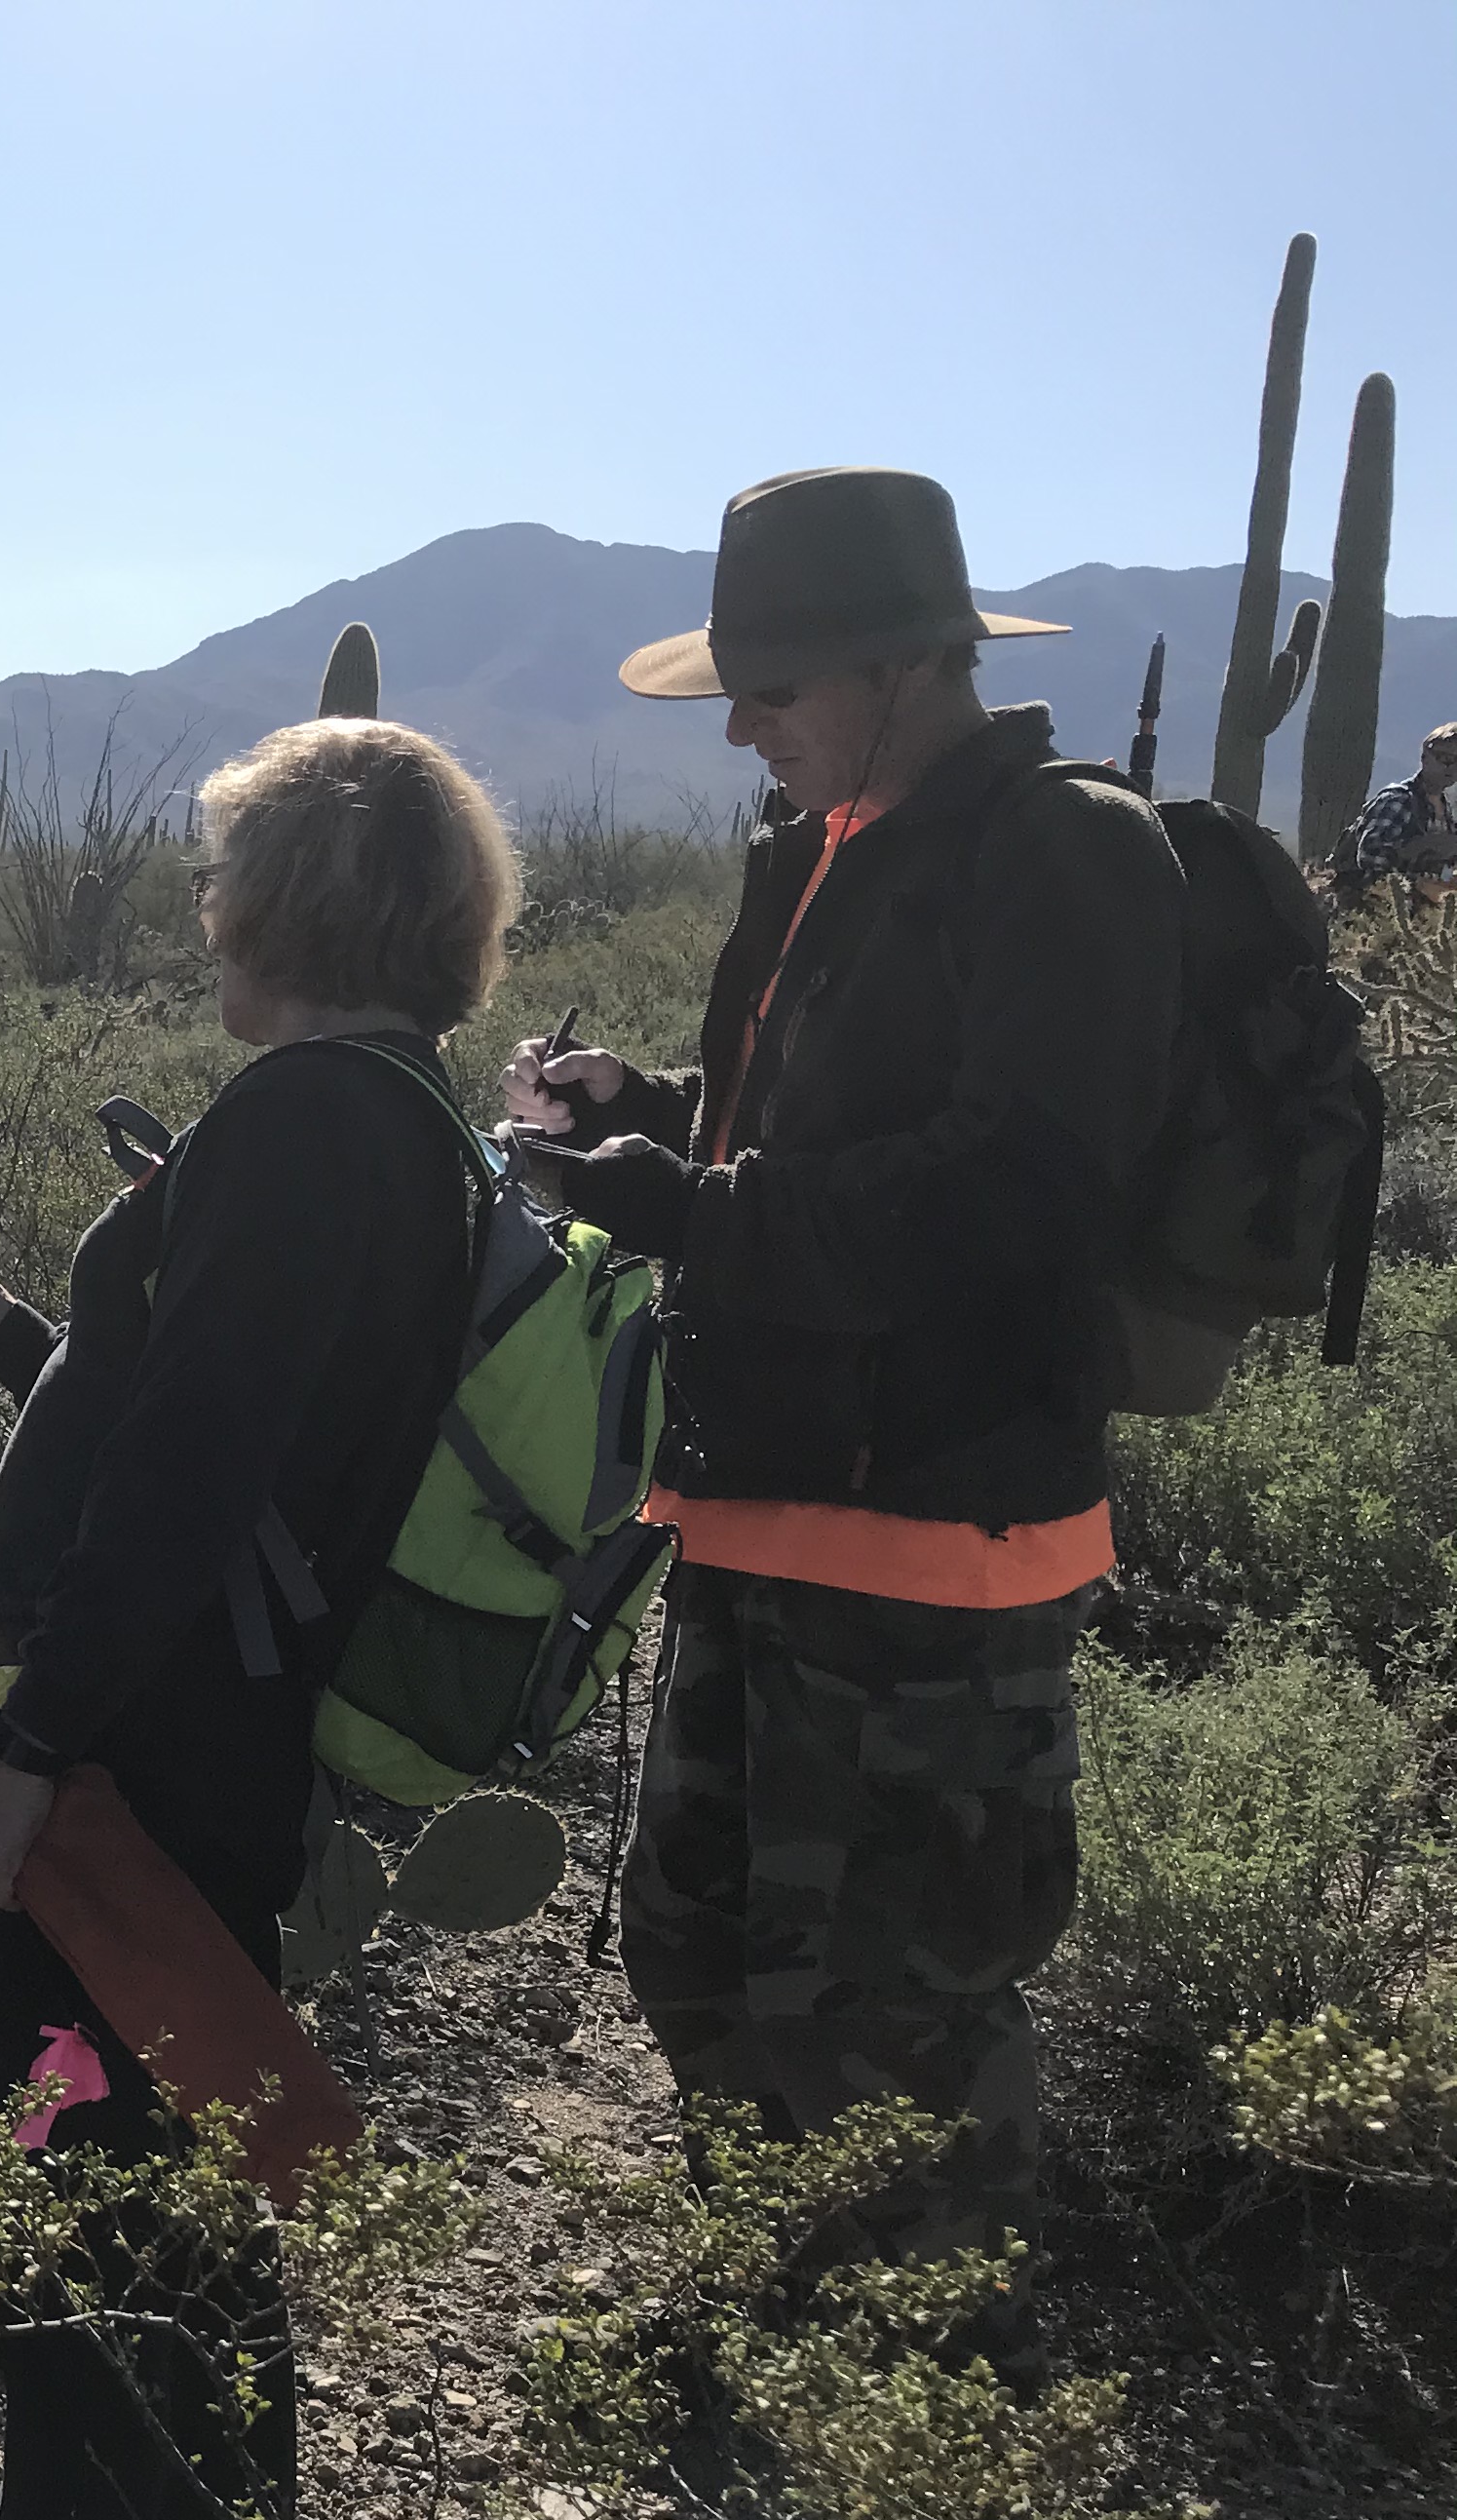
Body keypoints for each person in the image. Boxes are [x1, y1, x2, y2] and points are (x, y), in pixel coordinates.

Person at [0, 716, 512, 2520]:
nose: (204, 905)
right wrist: (2, 1340)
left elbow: (189, 1476)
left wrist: (32, 1752)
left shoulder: (311, 1124)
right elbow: (208, 1435)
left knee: (74, 2175)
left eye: (227, 870)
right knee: (172, 2172)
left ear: (289, 901)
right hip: (204, 1735)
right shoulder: (387, 1116)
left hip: (140, 1768)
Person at [506, 467, 1183, 2380]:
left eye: (772, 684)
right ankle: (773, 2317)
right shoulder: (831, 842)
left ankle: (928, 2447)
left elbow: (1016, 1197)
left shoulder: (1067, 852)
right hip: (761, 1516)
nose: (741, 725)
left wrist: (671, 1201)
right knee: (700, 1953)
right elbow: (814, 1147)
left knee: (903, 2019)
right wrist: (636, 1109)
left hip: (940, 1563)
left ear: (902, 666)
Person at [1331, 720, 1457, 909]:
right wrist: (1418, 883)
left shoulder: (1445, 807)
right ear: (1425, 757)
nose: (1451, 767)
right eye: (1444, 758)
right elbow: (1370, 856)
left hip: (1415, 916)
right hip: (1375, 914)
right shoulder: (1399, 799)